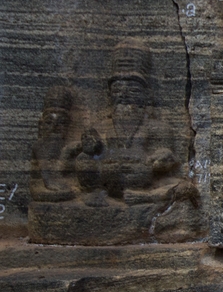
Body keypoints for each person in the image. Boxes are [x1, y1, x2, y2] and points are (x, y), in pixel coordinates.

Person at [75, 40, 182, 205]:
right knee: (83, 159)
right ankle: (95, 195)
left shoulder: (158, 128)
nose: (124, 95)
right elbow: (90, 157)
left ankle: (145, 198)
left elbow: (167, 161)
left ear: (146, 95)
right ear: (109, 95)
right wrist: (90, 149)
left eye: (132, 89)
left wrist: (162, 158)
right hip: (108, 179)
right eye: (117, 90)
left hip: (141, 178)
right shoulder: (101, 127)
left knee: (178, 188)